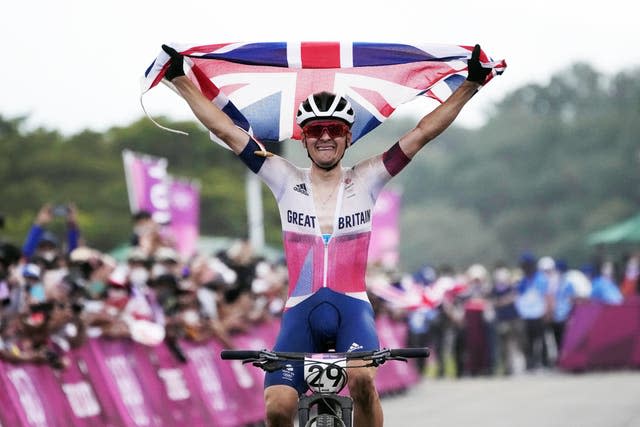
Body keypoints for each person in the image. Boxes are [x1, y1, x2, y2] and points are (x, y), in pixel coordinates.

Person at [161, 43, 491, 427]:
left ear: (348, 137)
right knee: (278, 407)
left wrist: (470, 85)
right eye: (316, 130)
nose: (325, 137)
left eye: (335, 130)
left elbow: (422, 133)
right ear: (304, 138)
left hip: (351, 309)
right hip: (300, 311)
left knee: (362, 380)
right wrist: (179, 78)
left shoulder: (368, 178)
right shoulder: (283, 178)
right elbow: (224, 129)